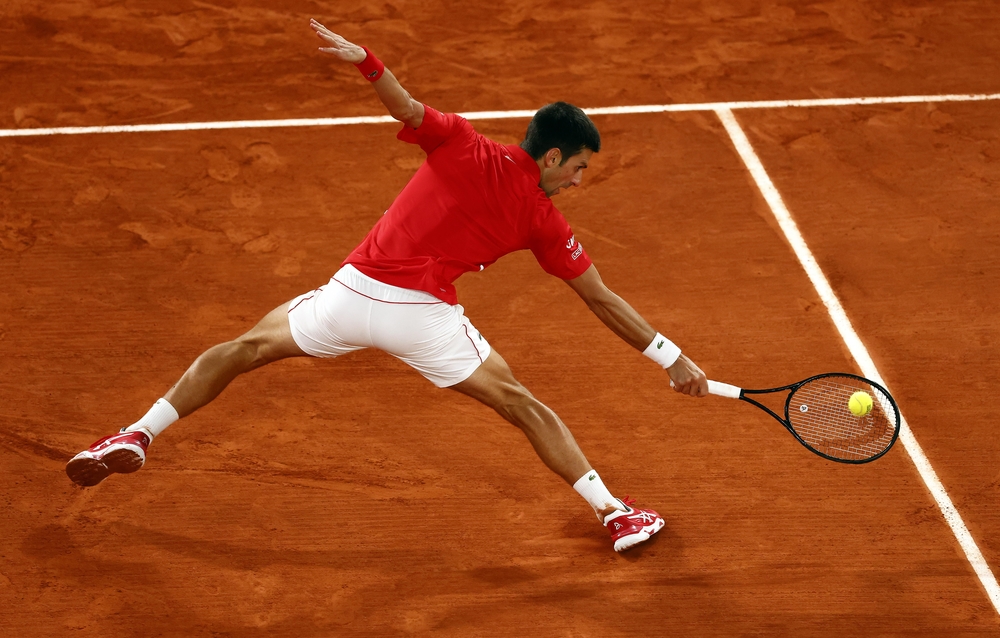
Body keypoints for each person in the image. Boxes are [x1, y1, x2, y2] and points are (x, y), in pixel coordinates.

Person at [66, 19, 710, 553]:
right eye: (577, 168)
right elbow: (600, 297)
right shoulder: (544, 219)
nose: (577, 181)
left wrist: (366, 60)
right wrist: (670, 356)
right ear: (550, 157)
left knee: (242, 349)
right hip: (421, 319)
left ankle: (136, 433)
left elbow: (405, 106)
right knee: (525, 407)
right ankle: (614, 513)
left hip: (347, 298)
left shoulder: (460, 141)